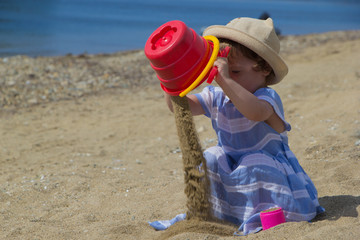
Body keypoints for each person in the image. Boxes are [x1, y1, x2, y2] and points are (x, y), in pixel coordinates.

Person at [155, 17, 324, 235]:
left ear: (263, 68)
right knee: (210, 157)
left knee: (254, 161)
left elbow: (254, 112)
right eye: (223, 72)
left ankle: (270, 213)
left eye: (235, 72)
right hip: (233, 173)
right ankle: (219, 213)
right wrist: (173, 81)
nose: (223, 78)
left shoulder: (266, 97)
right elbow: (181, 107)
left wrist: (226, 80)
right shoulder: (218, 96)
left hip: (269, 175)